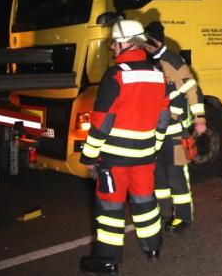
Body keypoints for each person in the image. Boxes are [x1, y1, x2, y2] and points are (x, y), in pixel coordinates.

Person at [79, 19, 168, 274]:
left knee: (110, 208)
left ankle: (107, 261)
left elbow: (101, 122)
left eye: (115, 43)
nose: (112, 47)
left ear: (127, 43)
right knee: (145, 202)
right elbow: (163, 119)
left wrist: (89, 156)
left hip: (114, 159)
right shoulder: (158, 75)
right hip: (145, 156)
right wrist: (153, 147)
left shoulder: (115, 75)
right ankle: (153, 247)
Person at [144, 21, 207, 233]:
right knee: (159, 179)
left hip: (175, 133)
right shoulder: (148, 62)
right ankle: (164, 214)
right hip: (155, 134)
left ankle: (183, 217)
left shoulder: (172, 60)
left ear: (156, 41)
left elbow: (193, 91)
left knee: (176, 176)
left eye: (147, 42)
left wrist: (199, 118)